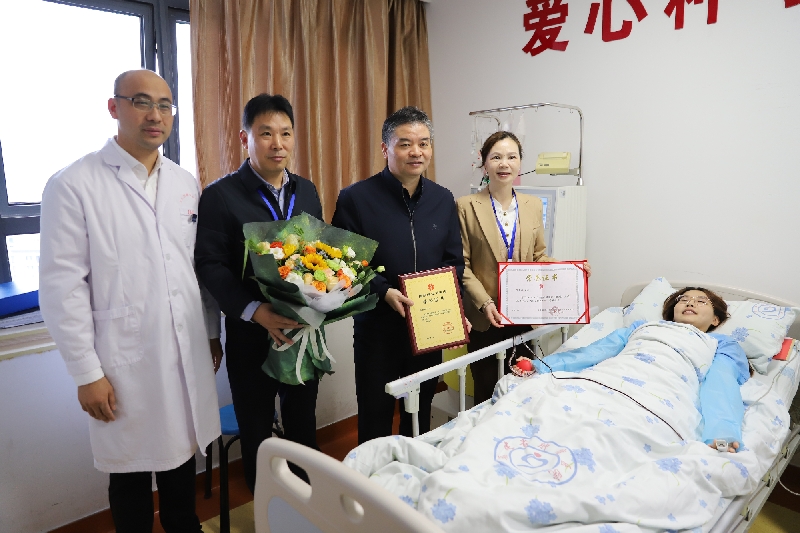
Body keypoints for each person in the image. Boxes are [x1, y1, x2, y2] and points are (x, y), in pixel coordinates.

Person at [39, 69, 222, 533]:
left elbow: (193, 269)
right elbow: (62, 286)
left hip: (183, 350)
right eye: (142, 102)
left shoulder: (184, 182)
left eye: (165, 105)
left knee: (182, 461)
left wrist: (210, 333)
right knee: (130, 474)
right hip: (122, 361)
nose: (155, 115)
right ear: (114, 107)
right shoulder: (74, 184)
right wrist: (86, 373)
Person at [194, 93, 323, 492]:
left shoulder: (306, 190)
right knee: (257, 433)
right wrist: (255, 310)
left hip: (301, 332)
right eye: (265, 133)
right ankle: (266, 508)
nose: (277, 143)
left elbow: (320, 254)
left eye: (285, 133)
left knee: (303, 425)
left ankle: (307, 505)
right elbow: (210, 266)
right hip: (251, 334)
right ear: (244, 138)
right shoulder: (221, 195)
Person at [331, 106, 468, 444]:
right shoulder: (356, 198)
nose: (416, 152)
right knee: (375, 415)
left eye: (424, 143)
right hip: (377, 328)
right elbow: (344, 263)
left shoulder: (442, 199)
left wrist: (454, 309)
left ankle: (414, 472)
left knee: (419, 415)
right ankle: (371, 476)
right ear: (385, 148)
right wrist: (382, 290)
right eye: (405, 144)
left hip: (428, 327)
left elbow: (453, 262)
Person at [457, 131, 591, 404]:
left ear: (519, 162)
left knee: (521, 387)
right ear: (485, 163)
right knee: (486, 390)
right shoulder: (465, 206)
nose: (504, 164)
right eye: (496, 157)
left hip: (524, 311)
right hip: (486, 317)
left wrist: (569, 270)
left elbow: (539, 256)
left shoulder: (532, 205)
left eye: (511, 157)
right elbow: (463, 265)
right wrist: (484, 303)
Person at [533, 287, 749, 452]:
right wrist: (541, 366)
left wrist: (722, 433)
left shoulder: (720, 343)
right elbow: (595, 352)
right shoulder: (643, 326)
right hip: (607, 378)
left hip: (661, 393)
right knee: (552, 411)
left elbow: (721, 384)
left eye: (701, 301)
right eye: (683, 299)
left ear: (715, 319)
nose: (690, 302)